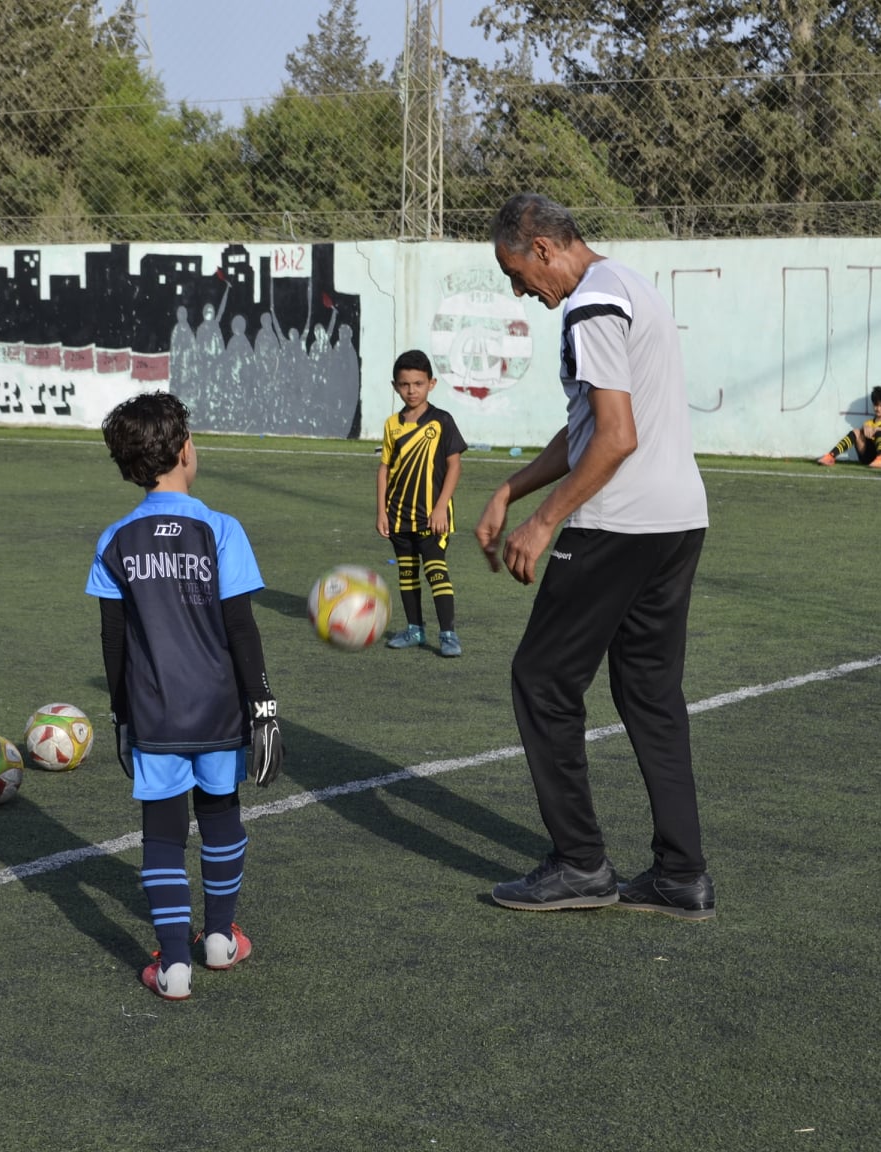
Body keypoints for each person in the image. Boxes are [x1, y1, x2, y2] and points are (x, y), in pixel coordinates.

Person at [476, 193, 713, 919]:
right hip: (678, 520)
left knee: (542, 679)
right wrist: (510, 489)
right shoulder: (630, 285)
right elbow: (587, 424)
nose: (520, 291)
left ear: (543, 248)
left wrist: (543, 522)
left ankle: (580, 864)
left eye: (517, 273)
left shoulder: (590, 305)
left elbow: (615, 438)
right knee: (650, 695)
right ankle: (682, 876)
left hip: (619, 524)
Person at [85, 391, 283, 1001]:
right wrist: (265, 708)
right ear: (186, 450)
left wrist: (121, 717)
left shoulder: (115, 539)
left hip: (155, 714)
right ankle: (220, 937)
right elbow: (241, 628)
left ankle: (174, 966)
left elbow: (113, 641)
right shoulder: (220, 529)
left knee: (163, 834)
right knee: (220, 815)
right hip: (219, 709)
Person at [376, 349, 467, 657]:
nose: (411, 390)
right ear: (395, 386)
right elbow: (384, 469)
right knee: (406, 573)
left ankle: (448, 634)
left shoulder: (441, 421)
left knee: (436, 571)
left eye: (418, 383)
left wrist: (441, 507)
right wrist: (381, 512)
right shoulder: (392, 425)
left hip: (432, 516)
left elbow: (454, 466)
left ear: (432, 384)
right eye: (404, 384)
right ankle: (414, 629)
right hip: (398, 515)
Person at [817, 383, 881, 468]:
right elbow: (861, 438)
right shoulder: (869, 423)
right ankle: (831, 456)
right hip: (871, 458)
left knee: (879, 432)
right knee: (857, 431)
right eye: (876, 405)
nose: (878, 409)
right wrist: (863, 429)